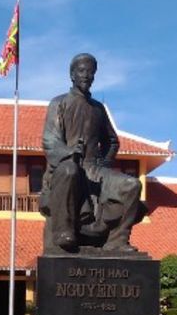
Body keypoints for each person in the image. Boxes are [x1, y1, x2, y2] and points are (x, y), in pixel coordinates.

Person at [40, 53, 144, 252]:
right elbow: (50, 141)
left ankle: (118, 239)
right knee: (70, 171)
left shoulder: (98, 108)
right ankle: (64, 231)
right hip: (68, 167)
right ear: (72, 74)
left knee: (132, 185)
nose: (86, 75)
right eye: (82, 71)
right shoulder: (59, 103)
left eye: (91, 72)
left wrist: (104, 164)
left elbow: (112, 141)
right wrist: (70, 152)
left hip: (95, 167)